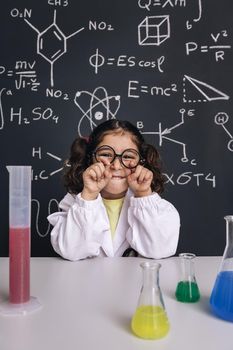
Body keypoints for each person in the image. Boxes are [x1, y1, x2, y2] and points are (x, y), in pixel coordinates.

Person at [47, 119, 180, 260]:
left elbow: (160, 250)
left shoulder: (157, 209)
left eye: (128, 156)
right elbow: (71, 252)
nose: (116, 166)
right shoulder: (75, 203)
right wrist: (90, 195)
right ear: (90, 159)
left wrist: (143, 195)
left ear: (142, 162)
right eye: (105, 154)